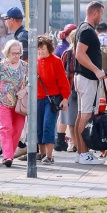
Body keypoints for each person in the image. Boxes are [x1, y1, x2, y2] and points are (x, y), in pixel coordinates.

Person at [72, 1, 107, 165]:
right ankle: (84, 153)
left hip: (82, 77)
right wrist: (96, 70)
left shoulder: (82, 28)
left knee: (81, 115)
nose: (102, 17)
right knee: (85, 115)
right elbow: (80, 54)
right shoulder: (88, 31)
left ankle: (81, 153)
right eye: (101, 13)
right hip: (87, 78)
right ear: (95, 13)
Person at [0, 39, 28, 167]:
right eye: (14, 53)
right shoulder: (0, 67)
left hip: (19, 104)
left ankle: (9, 154)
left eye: (19, 53)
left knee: (17, 129)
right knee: (6, 128)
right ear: (7, 53)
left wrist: (25, 90)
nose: (17, 56)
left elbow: (32, 84)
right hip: (2, 101)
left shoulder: (25, 66)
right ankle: (7, 156)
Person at [35, 35, 70, 165]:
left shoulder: (56, 61)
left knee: (48, 126)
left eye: (43, 49)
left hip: (52, 99)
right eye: (38, 49)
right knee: (38, 127)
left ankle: (50, 155)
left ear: (49, 48)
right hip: (38, 99)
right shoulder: (35, 61)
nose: (40, 52)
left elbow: (63, 81)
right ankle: (42, 153)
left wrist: (65, 98)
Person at [53, 23, 78, 153]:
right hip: (69, 87)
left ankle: (60, 141)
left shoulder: (60, 47)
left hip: (65, 87)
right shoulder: (66, 50)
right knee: (68, 115)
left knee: (64, 115)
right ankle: (65, 141)